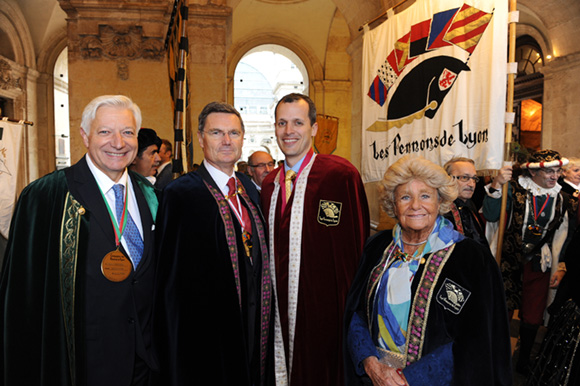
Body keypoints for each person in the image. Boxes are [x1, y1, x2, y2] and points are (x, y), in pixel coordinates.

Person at [0, 95, 159, 386]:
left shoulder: (151, 195)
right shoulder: (45, 197)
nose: (118, 142)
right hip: (80, 365)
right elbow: (22, 300)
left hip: (145, 365)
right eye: (105, 131)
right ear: (85, 136)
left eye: (127, 132)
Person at [345, 155, 512, 386]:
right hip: (374, 378)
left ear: (440, 201)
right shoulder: (376, 247)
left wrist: (407, 378)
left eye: (425, 196)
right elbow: (355, 313)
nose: (415, 205)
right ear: (393, 204)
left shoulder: (473, 259)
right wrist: (370, 363)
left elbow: (477, 340)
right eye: (405, 197)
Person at [154, 101, 274, 386]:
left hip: (254, 327)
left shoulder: (251, 191)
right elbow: (168, 284)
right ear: (200, 138)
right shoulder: (180, 195)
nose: (226, 140)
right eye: (217, 132)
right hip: (206, 338)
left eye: (234, 133)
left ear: (243, 139)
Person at [261, 93, 370, 386]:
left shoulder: (340, 175)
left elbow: (356, 250)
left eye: (297, 122)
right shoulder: (269, 184)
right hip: (278, 309)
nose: (288, 131)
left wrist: (351, 311)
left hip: (326, 311)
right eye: (282, 123)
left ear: (313, 128)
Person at [482, 149, 570, 373]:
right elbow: (492, 215)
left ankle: (523, 360)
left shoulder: (561, 198)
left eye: (558, 171)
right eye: (550, 171)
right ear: (533, 173)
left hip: (539, 264)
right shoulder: (513, 190)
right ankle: (495, 357)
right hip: (508, 259)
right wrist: (496, 186)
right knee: (502, 309)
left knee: (533, 313)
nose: (555, 176)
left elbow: (565, 236)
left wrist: (560, 265)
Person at [443, 157, 489, 248]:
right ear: (448, 179)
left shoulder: (470, 204)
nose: (471, 184)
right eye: (464, 177)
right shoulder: (442, 209)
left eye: (474, 178)